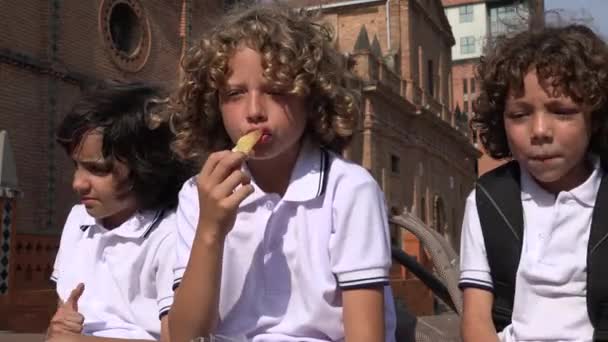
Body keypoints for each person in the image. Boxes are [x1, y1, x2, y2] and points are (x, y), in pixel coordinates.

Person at [167, 3, 396, 342]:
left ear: (312, 97)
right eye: (234, 94)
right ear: (212, 104)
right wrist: (210, 232)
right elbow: (184, 336)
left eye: (276, 91)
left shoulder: (349, 190)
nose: (255, 111)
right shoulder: (197, 194)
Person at [460, 25, 608, 342]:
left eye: (562, 111)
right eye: (520, 114)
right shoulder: (489, 202)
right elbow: (477, 320)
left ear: (595, 118)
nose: (539, 130)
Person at [47, 81, 190, 341]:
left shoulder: (171, 236)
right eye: (77, 166)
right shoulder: (78, 221)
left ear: (144, 167)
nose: (78, 183)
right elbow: (61, 321)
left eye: (98, 169)